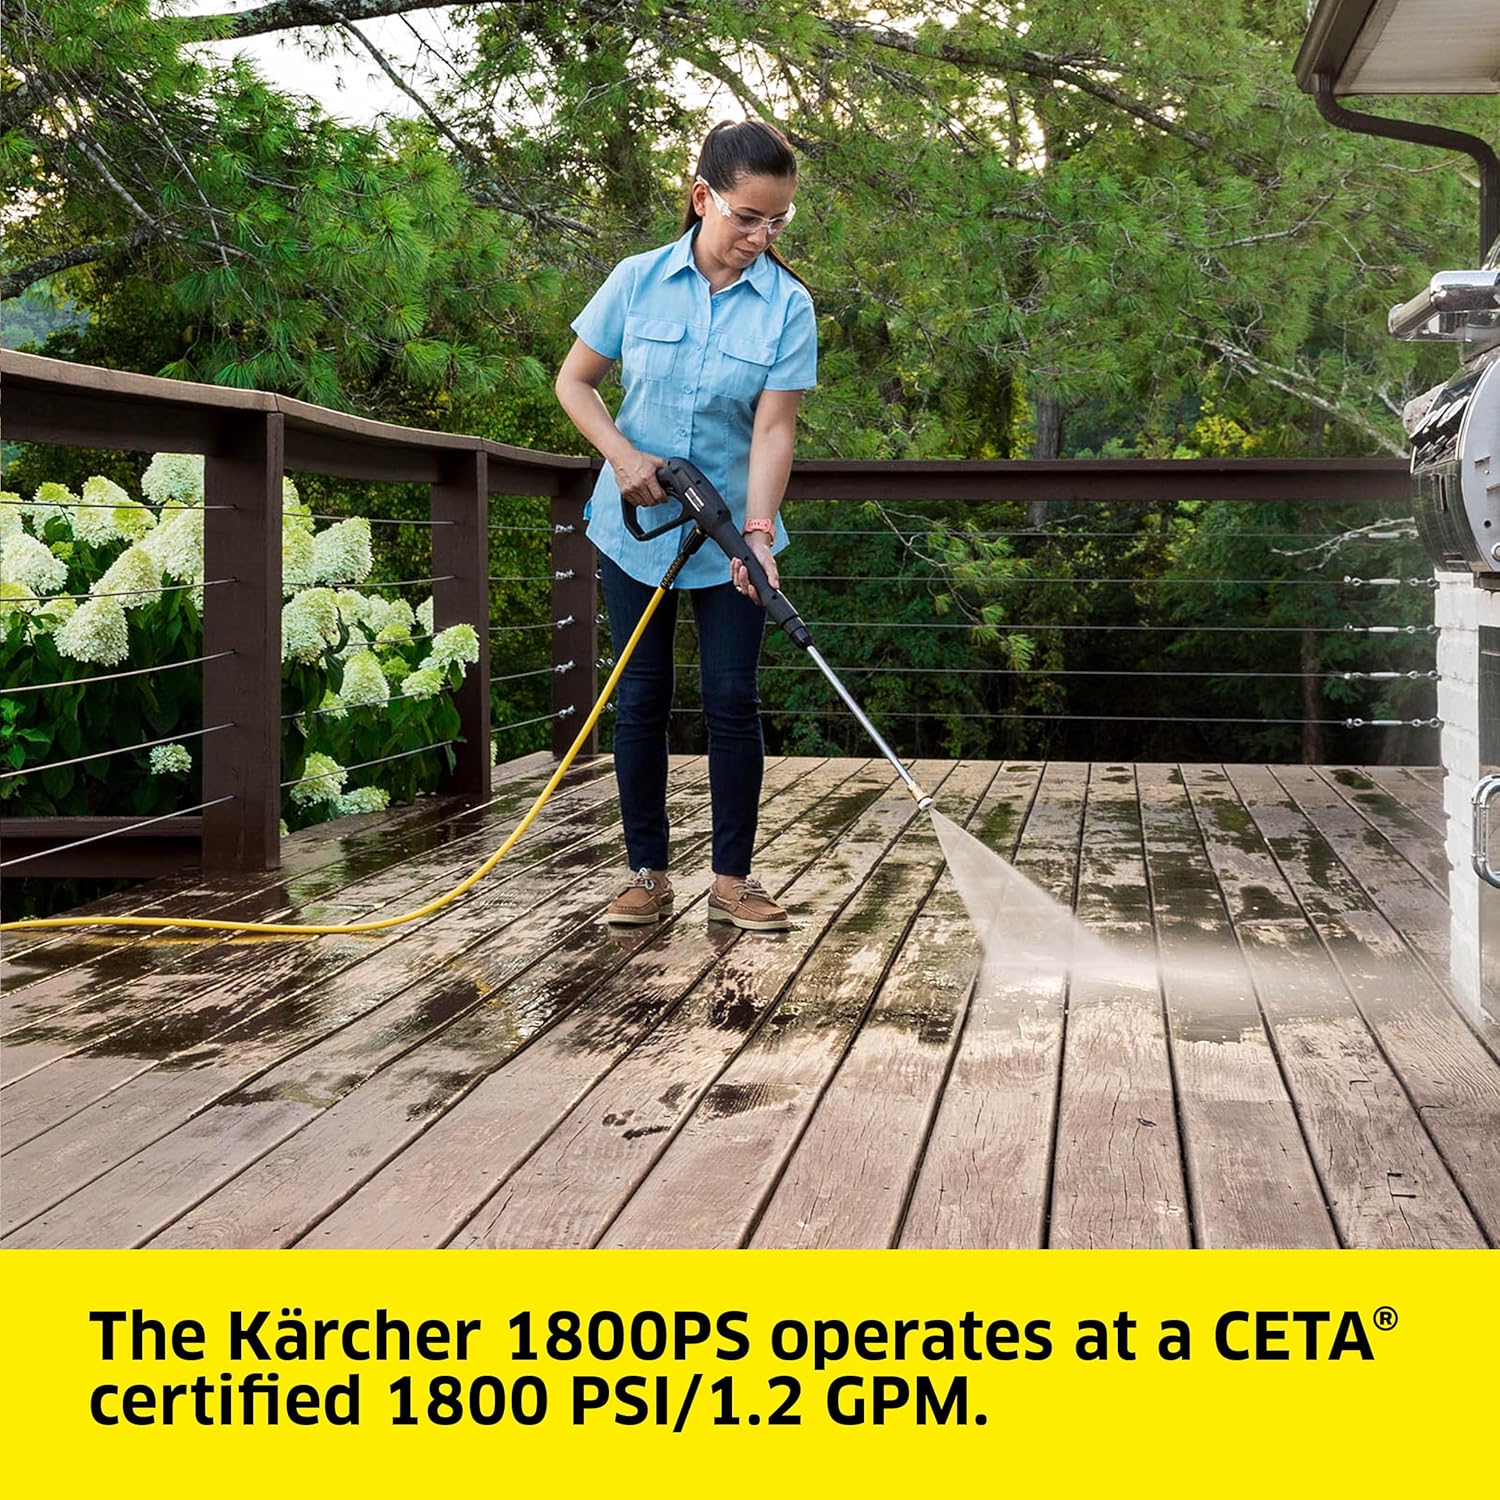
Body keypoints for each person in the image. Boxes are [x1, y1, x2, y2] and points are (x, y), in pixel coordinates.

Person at [554, 119, 817, 932]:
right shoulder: (636, 281)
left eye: (778, 221)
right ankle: (645, 871)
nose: (759, 236)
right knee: (641, 697)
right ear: (702, 197)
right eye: (747, 217)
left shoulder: (789, 306)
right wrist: (623, 457)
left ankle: (733, 881)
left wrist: (761, 535)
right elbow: (575, 383)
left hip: (732, 535)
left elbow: (775, 430)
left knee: (733, 699)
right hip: (634, 527)